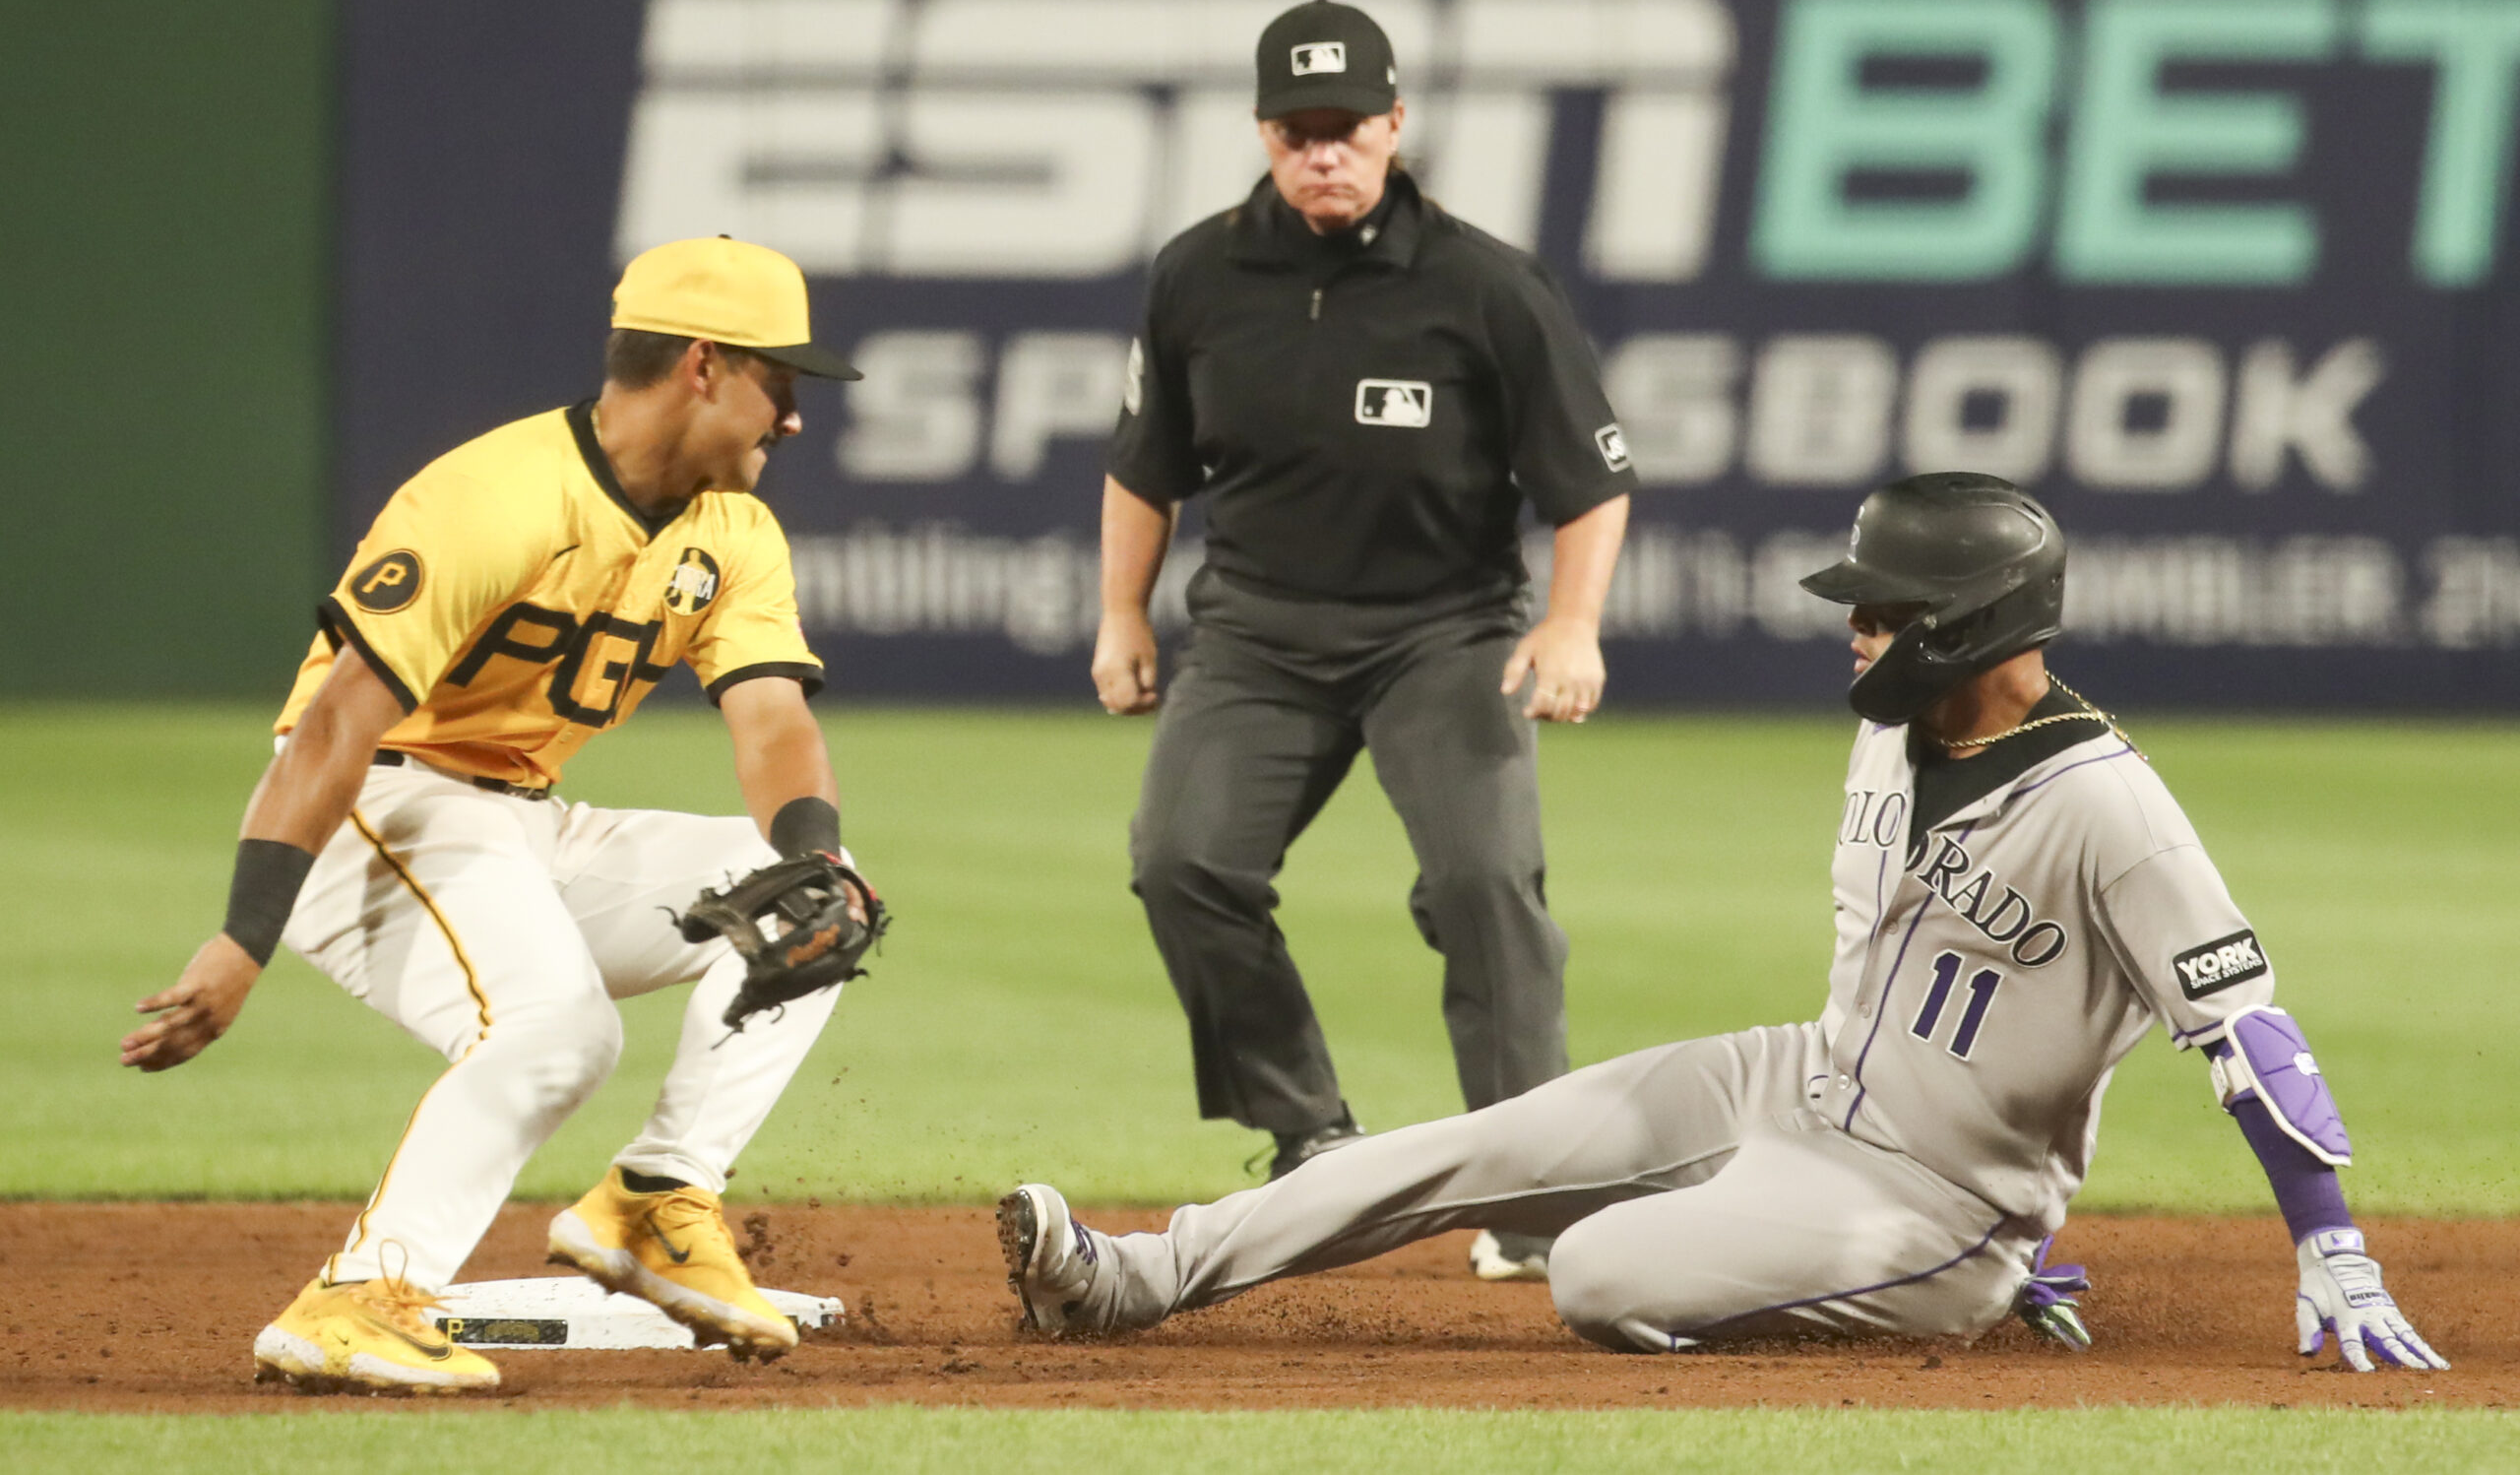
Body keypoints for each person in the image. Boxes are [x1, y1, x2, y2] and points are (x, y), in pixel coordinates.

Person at [1001, 473, 2446, 1372]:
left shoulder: (2114, 812)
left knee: (1598, 1272)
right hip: (1792, 1082)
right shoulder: (1896, 734)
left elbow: (2244, 1022)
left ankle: (1965, 1287)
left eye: (1882, 608)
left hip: (1934, 1194)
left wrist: (2332, 1240)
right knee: (1475, 1148)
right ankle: (1133, 1279)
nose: (1855, 628)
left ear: (1977, 621)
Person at [120, 237, 874, 1394]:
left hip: (519, 823)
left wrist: (813, 852)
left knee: (810, 897)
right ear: (705, 366)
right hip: (375, 808)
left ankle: (657, 1200)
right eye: (784, 382)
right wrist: (242, 935)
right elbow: (334, 726)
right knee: (561, 1030)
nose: (795, 418)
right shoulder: (495, 494)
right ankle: (360, 1296)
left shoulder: (733, 530)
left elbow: (771, 719)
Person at [1094, 0, 1634, 1281]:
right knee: (1182, 862)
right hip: (1259, 634)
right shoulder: (1198, 274)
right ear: (1264, 133)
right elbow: (1146, 467)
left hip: (1441, 632)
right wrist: (1121, 609)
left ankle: (1532, 1190)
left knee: (1483, 885)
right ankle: (1309, 1130)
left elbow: (1595, 478)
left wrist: (1570, 620)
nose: (1323, 154)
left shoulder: (1485, 284)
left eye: (1348, 128)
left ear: (1396, 124)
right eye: (1298, 131)